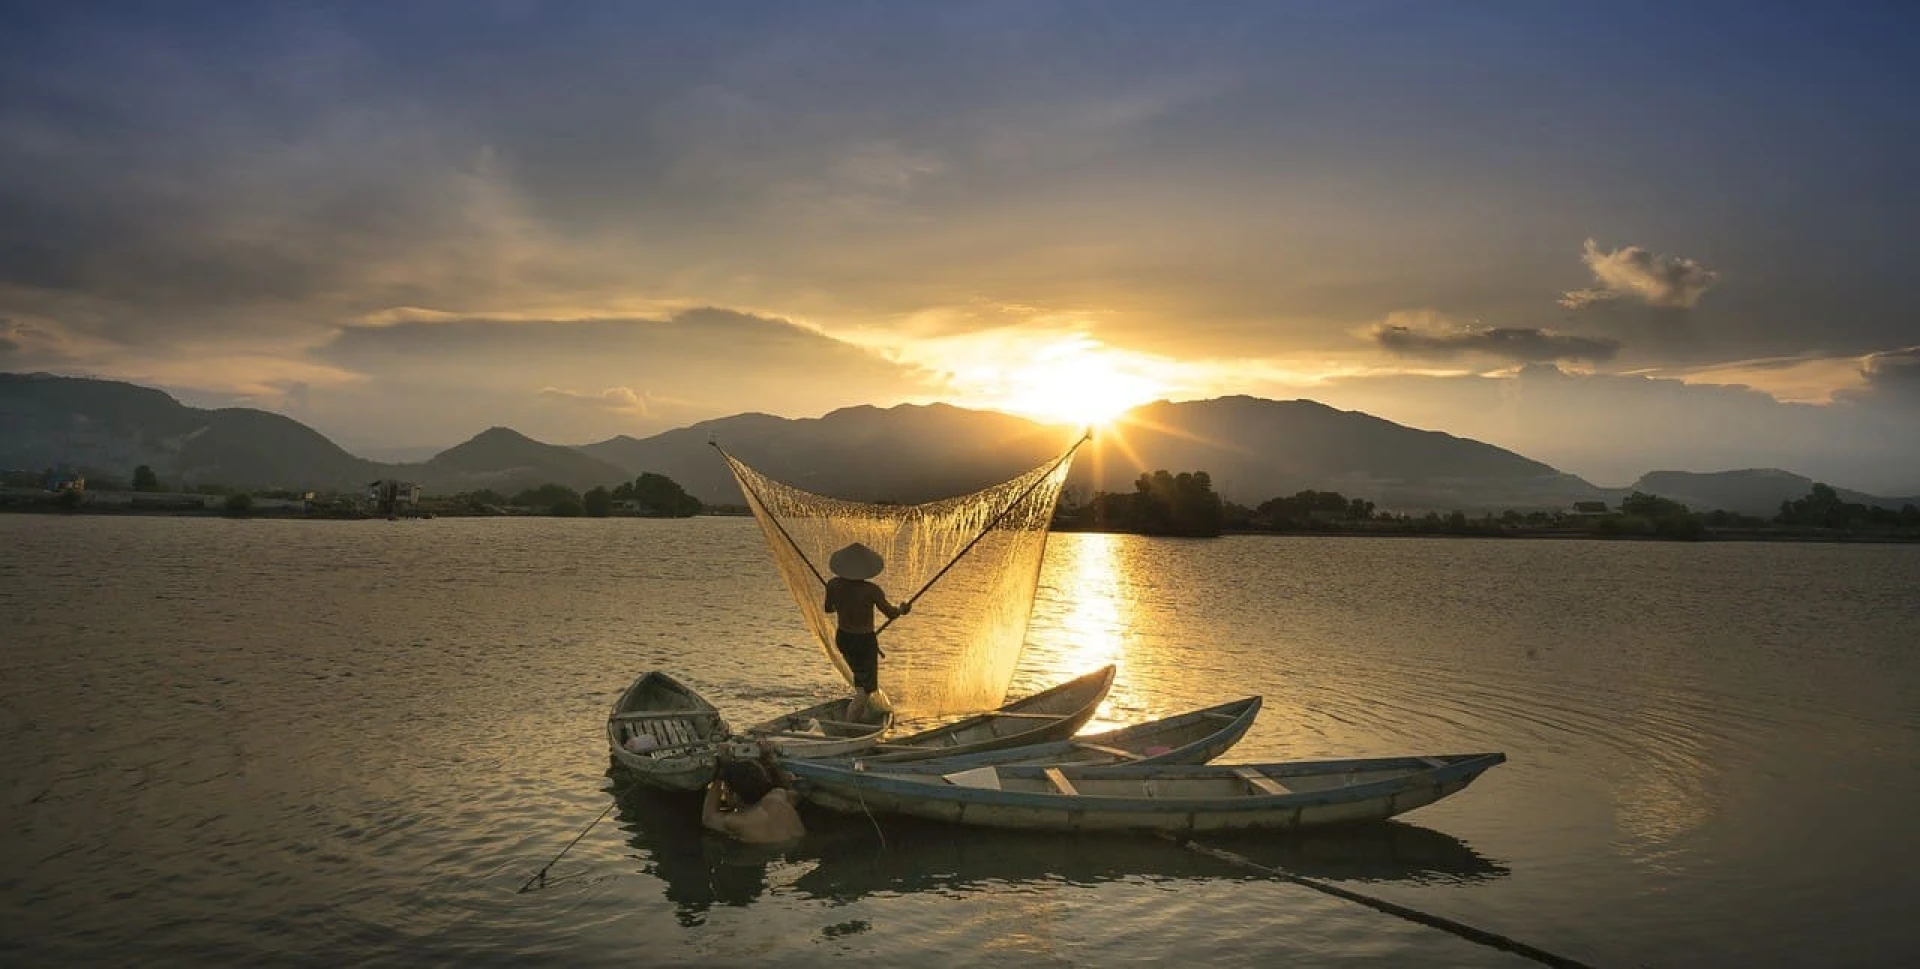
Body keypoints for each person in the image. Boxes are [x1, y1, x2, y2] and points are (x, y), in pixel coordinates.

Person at [823, 542, 909, 723]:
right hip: (863, 641)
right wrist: (902, 609)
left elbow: (828, 609)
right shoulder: (871, 590)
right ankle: (850, 724)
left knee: (860, 679)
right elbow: (890, 613)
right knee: (866, 689)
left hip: (844, 638)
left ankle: (858, 713)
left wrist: (838, 598)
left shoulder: (833, 585)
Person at [701, 756, 805, 844]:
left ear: (735, 795)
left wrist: (720, 772)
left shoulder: (738, 822)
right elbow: (793, 790)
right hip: (796, 847)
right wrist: (767, 756)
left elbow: (708, 818)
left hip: (761, 854)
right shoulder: (779, 796)